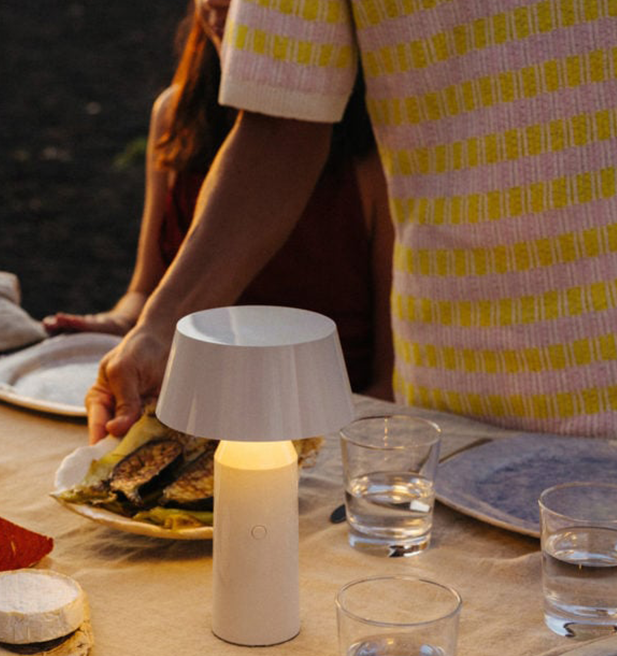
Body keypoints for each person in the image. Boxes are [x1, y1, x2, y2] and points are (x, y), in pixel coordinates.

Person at [86, 0, 617, 443]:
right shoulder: (176, 115)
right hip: (462, 411)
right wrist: (157, 330)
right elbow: (281, 123)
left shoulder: (360, 168)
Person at [45, 0, 394, 400]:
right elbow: (147, 290)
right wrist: (117, 327)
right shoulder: (177, 116)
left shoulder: (375, 155)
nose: (214, 3)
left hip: (330, 417)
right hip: (189, 409)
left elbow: (391, 377)